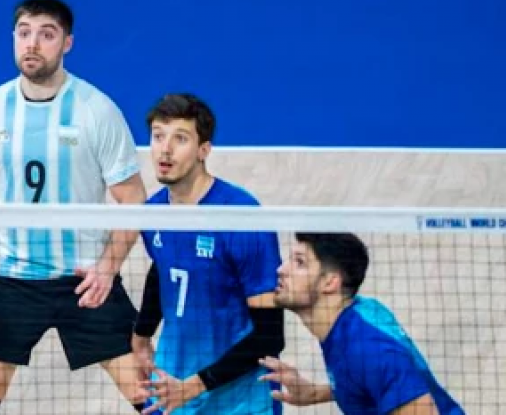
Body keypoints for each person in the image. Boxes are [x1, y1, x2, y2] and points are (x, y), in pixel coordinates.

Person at [0, 0, 150, 414]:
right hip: (11, 275)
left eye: (46, 34)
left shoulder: (97, 110)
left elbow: (134, 200)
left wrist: (107, 268)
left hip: (86, 277)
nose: (32, 44)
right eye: (24, 33)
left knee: (148, 392)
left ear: (67, 43)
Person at [131, 93, 285, 415]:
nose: (165, 149)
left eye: (180, 138)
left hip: (239, 399)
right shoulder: (153, 213)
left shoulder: (241, 217)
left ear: (204, 150)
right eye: (158, 136)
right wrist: (141, 335)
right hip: (172, 384)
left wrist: (195, 386)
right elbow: (163, 269)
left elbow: (270, 337)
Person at [261, 234, 464, 415]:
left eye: (299, 263)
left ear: (330, 283)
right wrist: (315, 393)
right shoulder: (355, 316)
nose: (281, 269)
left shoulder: (369, 350)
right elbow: (373, 381)